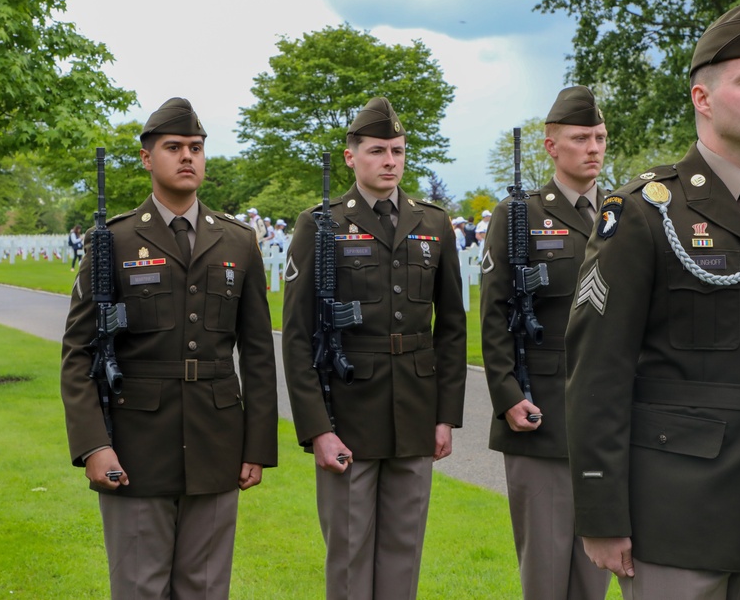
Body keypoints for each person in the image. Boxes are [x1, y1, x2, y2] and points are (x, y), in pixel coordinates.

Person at [564, 2, 740, 600]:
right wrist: (601, 513)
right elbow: (598, 375)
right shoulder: (642, 211)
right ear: (702, 98)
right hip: (676, 514)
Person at [60, 98, 279, 599]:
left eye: (196, 148)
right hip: (137, 445)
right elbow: (78, 354)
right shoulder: (111, 241)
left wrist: (257, 446)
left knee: (206, 589)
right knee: (140, 587)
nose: (187, 157)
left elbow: (258, 355)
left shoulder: (238, 242)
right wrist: (94, 444)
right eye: (174, 147)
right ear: (146, 158)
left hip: (217, 443)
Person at [282, 96, 467, 600]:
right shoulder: (320, 224)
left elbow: (451, 327)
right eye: (379, 150)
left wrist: (445, 414)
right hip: (349, 414)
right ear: (351, 157)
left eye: (399, 150)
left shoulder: (432, 224)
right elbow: (298, 338)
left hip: (414, 410)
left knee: (404, 555)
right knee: (348, 556)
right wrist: (317, 429)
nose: (390, 161)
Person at [479, 86, 611, 600]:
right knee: (547, 571)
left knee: (596, 572)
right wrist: (509, 397)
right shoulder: (519, 216)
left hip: (609, 414)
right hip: (543, 409)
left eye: (600, 137)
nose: (594, 147)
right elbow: (495, 315)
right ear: (551, 147)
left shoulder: (628, 212)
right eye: (581, 138)